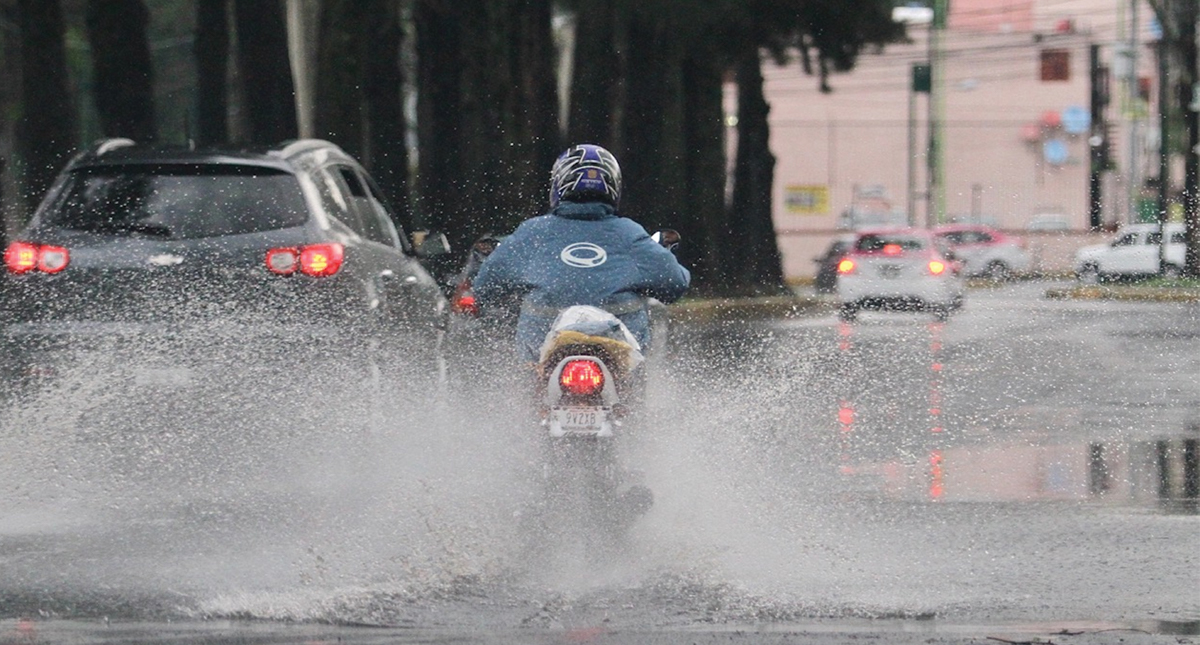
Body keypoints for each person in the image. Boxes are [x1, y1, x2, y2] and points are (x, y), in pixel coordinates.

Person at [471, 144, 690, 362]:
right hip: (618, 357)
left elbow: (486, 287)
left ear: (557, 185)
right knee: (632, 383)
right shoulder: (629, 234)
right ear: (614, 187)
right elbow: (675, 284)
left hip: (542, 354)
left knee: (529, 384)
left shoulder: (532, 233)